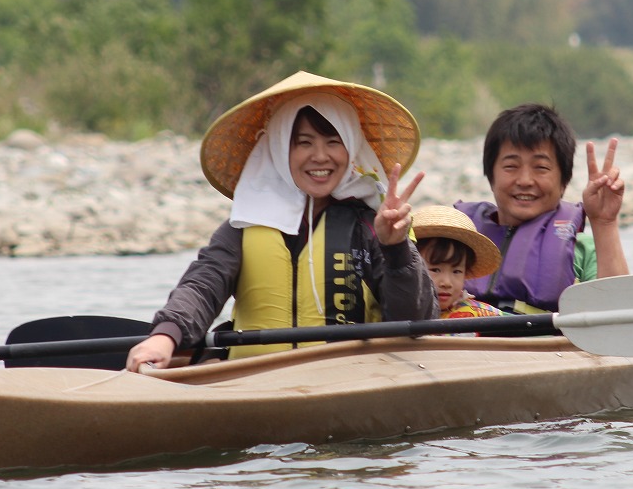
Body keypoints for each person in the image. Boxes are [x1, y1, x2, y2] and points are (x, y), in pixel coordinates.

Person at [126, 71, 438, 370]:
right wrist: (165, 337)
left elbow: (417, 320)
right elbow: (202, 287)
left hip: (352, 380)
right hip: (257, 379)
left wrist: (395, 248)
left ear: (351, 148)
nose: (320, 156)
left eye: (333, 141)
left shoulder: (376, 225)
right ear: (279, 150)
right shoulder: (243, 228)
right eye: (304, 143)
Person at [455, 103, 628, 313]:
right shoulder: (457, 241)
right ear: (491, 177)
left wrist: (605, 222)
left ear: (563, 182)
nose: (525, 180)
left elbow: (619, 315)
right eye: (511, 166)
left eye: (541, 168)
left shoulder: (583, 250)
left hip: (549, 344)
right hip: (465, 343)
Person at [411, 205, 506, 319]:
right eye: (435, 270)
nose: (446, 283)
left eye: (456, 271)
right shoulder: (391, 310)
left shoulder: (482, 316)